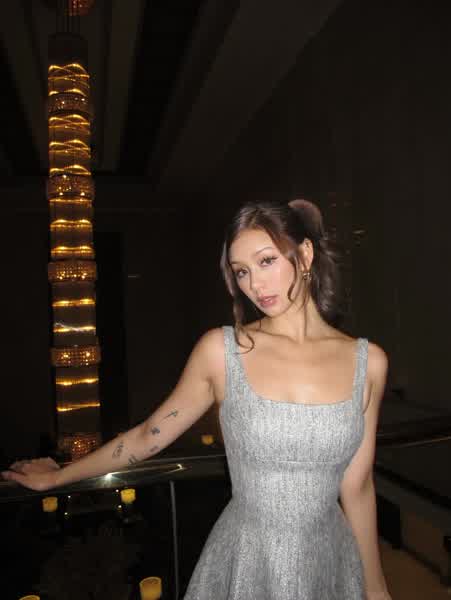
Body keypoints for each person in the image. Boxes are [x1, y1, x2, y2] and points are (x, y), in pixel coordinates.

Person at [2, 200, 392, 600]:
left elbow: (358, 486)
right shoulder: (222, 351)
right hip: (247, 557)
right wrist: (60, 476)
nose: (255, 285)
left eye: (266, 261)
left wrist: (377, 590)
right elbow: (147, 437)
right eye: (241, 271)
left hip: (329, 558)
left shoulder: (369, 363)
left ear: (305, 254)